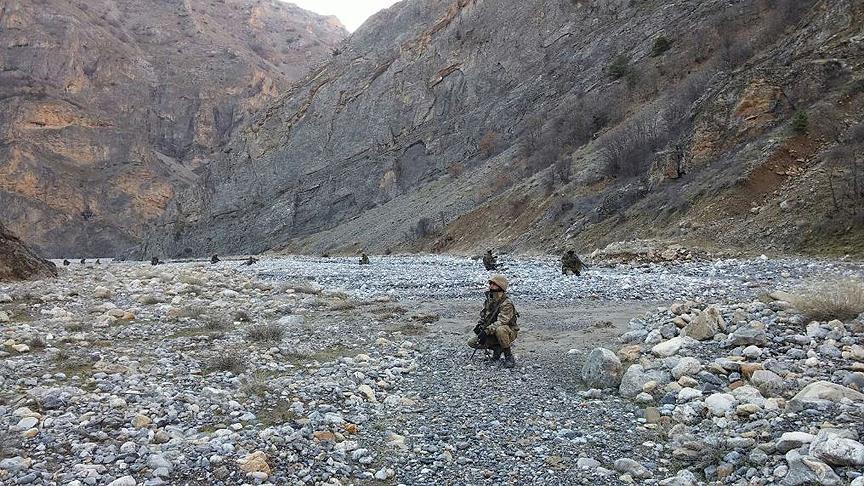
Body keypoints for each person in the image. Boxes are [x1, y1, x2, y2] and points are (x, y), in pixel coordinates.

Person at [468, 275, 519, 368]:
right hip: (492, 330)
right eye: (490, 283)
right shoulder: (489, 300)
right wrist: (480, 326)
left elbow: (502, 321)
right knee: (472, 342)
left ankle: (509, 356)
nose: (491, 286)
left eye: (494, 284)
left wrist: (486, 331)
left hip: (508, 331)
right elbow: (485, 316)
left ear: (501, 286)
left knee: (500, 330)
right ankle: (497, 349)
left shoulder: (506, 303)